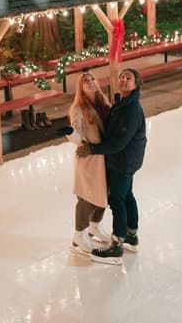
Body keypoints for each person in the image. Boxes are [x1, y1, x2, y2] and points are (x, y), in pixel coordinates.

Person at [76, 68, 147, 265]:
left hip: (123, 161)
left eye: (128, 78)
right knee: (127, 196)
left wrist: (92, 149)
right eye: (121, 77)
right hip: (126, 159)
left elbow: (118, 143)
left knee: (117, 200)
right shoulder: (123, 103)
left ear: (136, 84)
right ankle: (131, 235)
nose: (123, 80)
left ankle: (117, 245)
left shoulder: (131, 110)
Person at [66, 72, 114, 254]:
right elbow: (78, 137)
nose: (91, 82)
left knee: (103, 195)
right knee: (86, 197)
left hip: (105, 156)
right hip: (89, 159)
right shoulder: (78, 108)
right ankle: (79, 234)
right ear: (81, 88)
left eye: (93, 79)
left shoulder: (103, 102)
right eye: (86, 81)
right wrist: (70, 132)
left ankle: (94, 226)